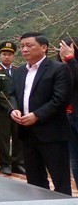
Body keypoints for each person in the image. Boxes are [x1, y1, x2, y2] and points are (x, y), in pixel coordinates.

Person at [9, 32, 72, 195]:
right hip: (27, 133)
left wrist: (37, 115)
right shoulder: (19, 71)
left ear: (43, 47)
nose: (24, 50)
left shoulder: (59, 69)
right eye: (22, 46)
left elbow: (60, 99)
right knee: (35, 182)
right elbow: (12, 94)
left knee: (60, 181)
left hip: (52, 133)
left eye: (29, 45)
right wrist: (13, 109)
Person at [0, 41, 25, 176]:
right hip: (3, 111)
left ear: (13, 56)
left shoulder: (18, 71)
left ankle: (18, 163)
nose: (7, 57)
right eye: (4, 54)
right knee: (3, 139)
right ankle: (5, 164)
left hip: (17, 111)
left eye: (9, 54)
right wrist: (10, 106)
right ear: (0, 56)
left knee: (18, 138)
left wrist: (16, 108)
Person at [57, 37, 78, 190]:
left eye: (68, 48)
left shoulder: (73, 64)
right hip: (67, 119)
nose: (63, 52)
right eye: (61, 49)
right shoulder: (58, 69)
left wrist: (71, 59)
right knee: (75, 161)